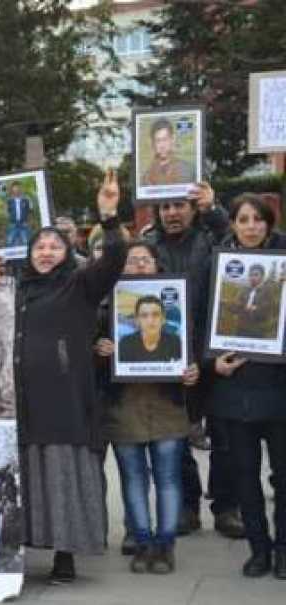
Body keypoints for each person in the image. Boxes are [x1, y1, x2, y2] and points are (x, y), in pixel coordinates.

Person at [4, 169, 125, 584]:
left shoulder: (79, 285)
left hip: (65, 403)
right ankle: (19, 554)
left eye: (55, 246)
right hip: (22, 403)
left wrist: (109, 219)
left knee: (62, 478)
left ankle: (65, 555)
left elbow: (113, 261)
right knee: (28, 478)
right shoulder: (16, 288)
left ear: (69, 250)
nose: (46, 252)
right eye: (39, 246)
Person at [141, 181, 239, 539]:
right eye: (165, 207)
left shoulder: (212, 238)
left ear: (193, 208)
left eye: (179, 205)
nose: (172, 213)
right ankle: (186, 508)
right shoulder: (148, 244)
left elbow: (236, 240)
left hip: (216, 352)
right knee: (175, 436)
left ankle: (227, 507)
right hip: (170, 355)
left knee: (225, 437)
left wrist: (214, 209)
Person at [99, 242, 199, 574]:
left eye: (146, 260)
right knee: (133, 478)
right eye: (132, 260)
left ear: (157, 265)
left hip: (167, 407)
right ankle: (142, 541)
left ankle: (165, 545)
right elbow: (87, 353)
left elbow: (195, 351)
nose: (139, 265)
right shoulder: (105, 308)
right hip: (123, 408)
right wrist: (99, 348)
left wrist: (193, 369)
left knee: (169, 478)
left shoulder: (177, 324)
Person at [207, 193, 286, 579]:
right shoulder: (217, 268)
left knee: (285, 477)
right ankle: (259, 549)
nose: (251, 226)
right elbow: (200, 319)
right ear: (233, 225)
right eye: (243, 219)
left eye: (258, 219)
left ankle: (284, 550)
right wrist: (211, 363)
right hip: (234, 390)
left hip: (279, 387)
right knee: (244, 477)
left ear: (269, 224)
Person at [117, 296, 182, 363]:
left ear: (163, 319)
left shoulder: (175, 342)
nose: (150, 321)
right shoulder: (125, 344)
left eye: (156, 315)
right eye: (144, 315)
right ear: (137, 320)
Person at [142, 118, 194, 186]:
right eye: (158, 141)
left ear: (172, 139)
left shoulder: (188, 170)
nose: (162, 146)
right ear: (153, 143)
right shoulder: (147, 177)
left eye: (165, 139)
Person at [235, 264, 277, 339]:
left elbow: (269, 309)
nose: (253, 277)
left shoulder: (268, 291)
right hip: (241, 328)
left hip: (258, 330)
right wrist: (240, 306)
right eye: (251, 275)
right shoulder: (244, 290)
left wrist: (255, 309)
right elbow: (237, 304)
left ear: (262, 276)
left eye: (256, 275)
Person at [4, 181, 33, 248]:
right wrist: (9, 218)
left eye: (18, 188)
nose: (16, 190)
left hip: (24, 223)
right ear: (12, 190)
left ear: (20, 189)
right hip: (13, 224)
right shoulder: (9, 201)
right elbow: (6, 211)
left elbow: (30, 211)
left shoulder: (26, 200)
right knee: (9, 241)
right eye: (14, 189)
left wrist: (29, 222)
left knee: (26, 242)